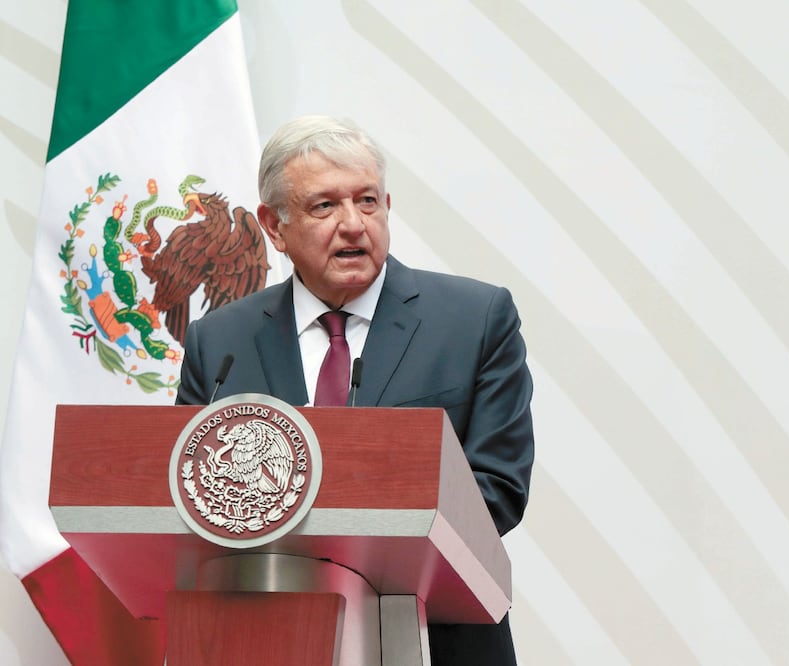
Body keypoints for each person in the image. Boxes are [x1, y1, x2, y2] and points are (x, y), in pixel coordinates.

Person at [177, 115, 534, 665]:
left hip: (436, 642)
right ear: (274, 226)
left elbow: (497, 491)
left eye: (367, 201)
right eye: (324, 206)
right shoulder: (218, 342)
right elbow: (186, 501)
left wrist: (345, 537)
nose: (353, 224)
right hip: (260, 639)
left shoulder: (475, 320)